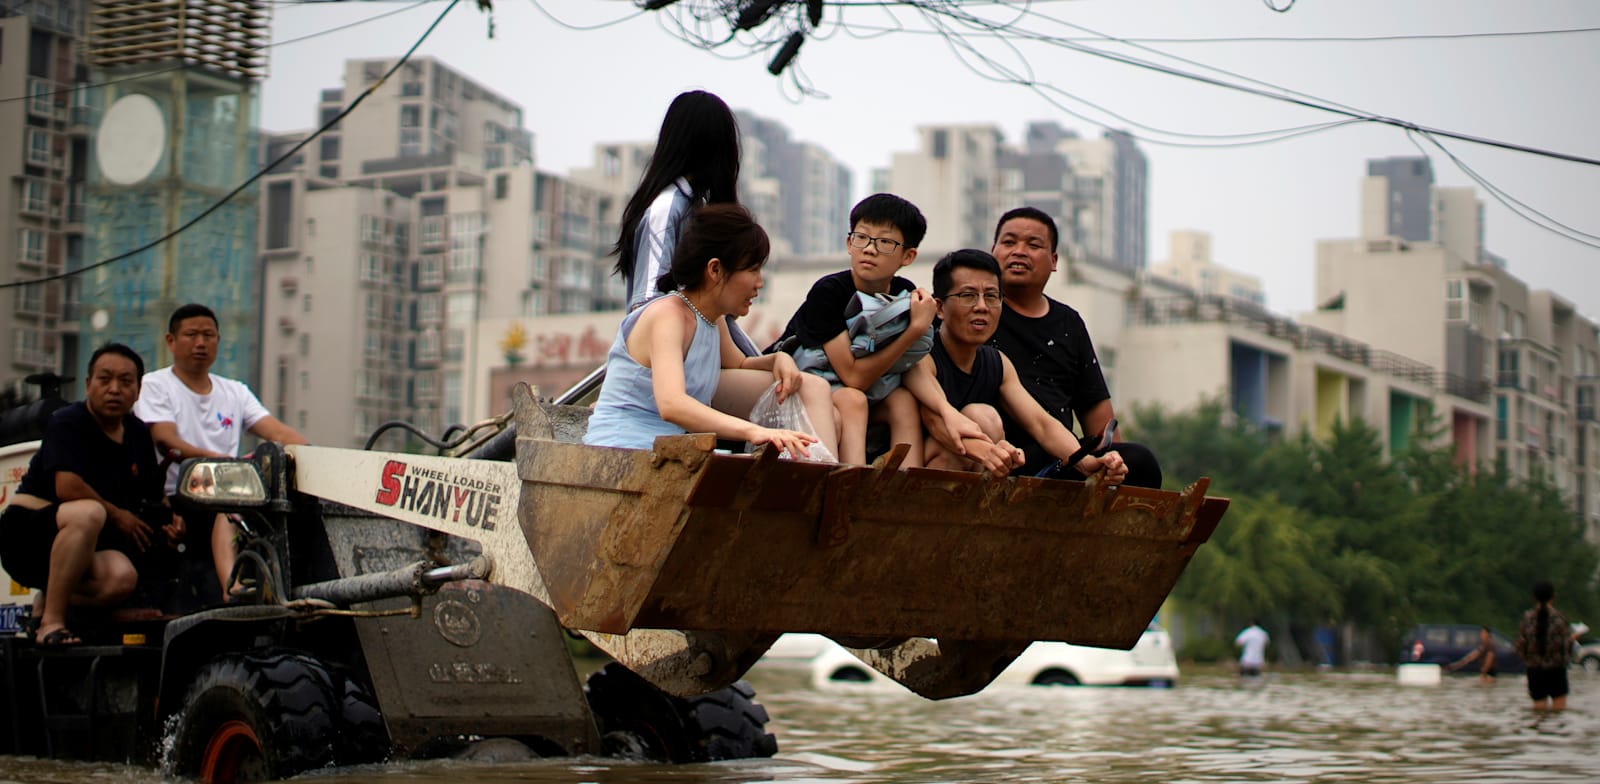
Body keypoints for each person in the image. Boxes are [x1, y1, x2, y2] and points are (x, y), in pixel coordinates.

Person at [584, 203, 839, 459]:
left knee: (823, 404)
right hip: (622, 453)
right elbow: (671, 404)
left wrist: (778, 358)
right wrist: (754, 431)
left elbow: (738, 364)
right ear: (715, 269)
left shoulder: (709, 318)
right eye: (752, 270)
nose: (760, 283)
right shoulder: (668, 315)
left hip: (667, 452)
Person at [772, 193, 976, 466]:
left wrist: (947, 411)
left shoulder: (906, 295)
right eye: (862, 238)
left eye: (885, 242)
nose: (870, 249)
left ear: (908, 255)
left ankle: (904, 487)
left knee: (903, 401)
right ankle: (854, 486)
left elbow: (910, 365)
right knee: (852, 398)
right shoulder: (829, 292)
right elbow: (853, 377)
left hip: (862, 391)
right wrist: (913, 331)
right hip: (807, 384)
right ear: (849, 243)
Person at [0, 344, 177, 646]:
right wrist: (119, 515)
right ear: (88, 384)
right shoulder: (68, 421)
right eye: (104, 379)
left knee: (122, 578)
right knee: (88, 512)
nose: (114, 389)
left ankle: (46, 601)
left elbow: (153, 493)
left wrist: (172, 519)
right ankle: (51, 624)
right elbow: (67, 488)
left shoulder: (137, 434)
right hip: (29, 535)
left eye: (125, 381)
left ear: (137, 391)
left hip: (86, 546)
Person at [133, 304, 307, 598]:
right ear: (171, 342)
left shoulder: (234, 391)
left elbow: (277, 433)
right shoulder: (155, 385)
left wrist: (314, 455)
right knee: (231, 499)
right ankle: (232, 587)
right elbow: (166, 440)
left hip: (228, 490)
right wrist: (225, 463)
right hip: (178, 495)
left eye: (208, 335)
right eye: (191, 335)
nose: (201, 343)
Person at [915, 249, 1127, 484]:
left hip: (977, 475)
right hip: (921, 475)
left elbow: (1041, 423)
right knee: (982, 417)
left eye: (992, 296)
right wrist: (988, 452)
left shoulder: (997, 363)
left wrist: (1088, 464)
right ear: (940, 308)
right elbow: (936, 422)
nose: (982, 307)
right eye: (968, 295)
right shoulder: (923, 354)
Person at [988, 207, 1163, 487]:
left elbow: (1099, 418)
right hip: (1001, 452)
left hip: (1061, 455)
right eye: (1009, 242)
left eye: (1033, 245)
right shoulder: (978, 310)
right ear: (992, 251)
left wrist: (1112, 463)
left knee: (1139, 461)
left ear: (1054, 260)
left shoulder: (1068, 323)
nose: (1019, 251)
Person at [613, 90, 760, 356]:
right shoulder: (667, 209)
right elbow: (648, 305)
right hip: (673, 364)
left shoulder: (695, 207)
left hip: (704, 354)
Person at [1514, 580, 1572, 711]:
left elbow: (1520, 645)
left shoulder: (1527, 618)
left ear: (1534, 597)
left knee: (1538, 712)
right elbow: (1566, 646)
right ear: (1553, 596)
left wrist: (1528, 662)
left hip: (1534, 671)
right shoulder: (1559, 618)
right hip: (1556, 670)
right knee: (1559, 712)